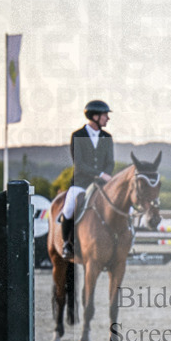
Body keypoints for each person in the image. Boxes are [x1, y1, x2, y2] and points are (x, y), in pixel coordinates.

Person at [60, 100, 115, 259]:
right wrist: (99, 174)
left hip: (101, 184)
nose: (107, 119)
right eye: (105, 115)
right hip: (81, 182)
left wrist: (105, 175)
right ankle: (66, 244)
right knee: (69, 207)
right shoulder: (78, 136)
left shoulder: (107, 137)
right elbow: (79, 164)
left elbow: (110, 162)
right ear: (95, 116)